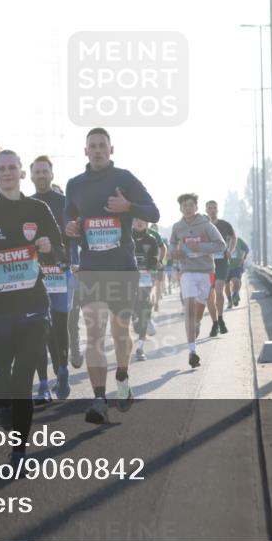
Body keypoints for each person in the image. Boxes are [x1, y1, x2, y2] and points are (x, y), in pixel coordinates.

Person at [0, 147, 64, 462]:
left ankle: (19, 450)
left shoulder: (38, 209)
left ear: (22, 173)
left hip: (34, 308)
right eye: (1, 168)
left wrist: (49, 247)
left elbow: (60, 249)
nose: (7, 173)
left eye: (12, 167)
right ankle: (4, 407)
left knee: (22, 380)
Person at [65, 128, 159, 424]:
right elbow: (68, 217)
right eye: (92, 146)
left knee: (120, 332)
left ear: (111, 149)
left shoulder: (125, 179)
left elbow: (154, 212)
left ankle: (122, 376)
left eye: (102, 145)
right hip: (91, 268)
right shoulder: (74, 184)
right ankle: (98, 400)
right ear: (85, 151)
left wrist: (129, 207)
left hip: (122, 268)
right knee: (94, 334)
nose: (97, 150)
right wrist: (69, 227)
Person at [30, 155, 71, 401]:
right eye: (37, 172)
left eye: (45, 171)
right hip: (33, 274)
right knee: (39, 328)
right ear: (31, 175)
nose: (41, 175)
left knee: (59, 324)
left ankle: (62, 369)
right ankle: (45, 383)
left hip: (60, 271)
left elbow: (72, 238)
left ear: (52, 174)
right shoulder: (26, 204)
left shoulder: (64, 203)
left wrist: (61, 255)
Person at [169, 194, 225, 368]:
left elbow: (221, 245)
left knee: (199, 310)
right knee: (189, 309)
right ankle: (192, 352)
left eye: (190, 205)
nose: (187, 208)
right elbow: (172, 244)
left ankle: (198, 323)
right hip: (187, 271)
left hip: (206, 271)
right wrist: (174, 253)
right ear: (180, 208)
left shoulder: (206, 225)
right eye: (184, 205)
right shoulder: (177, 227)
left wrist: (199, 247)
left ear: (196, 207)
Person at [204, 200, 236, 337]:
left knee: (218, 289)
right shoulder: (202, 226)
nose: (212, 210)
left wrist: (230, 250)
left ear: (217, 210)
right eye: (209, 208)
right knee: (209, 295)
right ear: (206, 210)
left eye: (214, 208)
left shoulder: (224, 224)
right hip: (207, 264)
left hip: (222, 262)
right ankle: (215, 322)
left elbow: (233, 237)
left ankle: (221, 318)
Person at [131, 218, 160, 361]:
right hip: (128, 279)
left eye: (142, 220)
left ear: (147, 223)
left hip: (145, 278)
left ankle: (140, 348)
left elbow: (154, 258)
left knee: (143, 308)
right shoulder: (126, 237)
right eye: (136, 220)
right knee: (134, 308)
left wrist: (151, 266)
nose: (139, 222)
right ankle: (138, 318)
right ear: (132, 222)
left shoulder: (151, 240)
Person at [226, 236, 250, 308]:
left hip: (237, 265)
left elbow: (247, 249)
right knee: (226, 285)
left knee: (236, 281)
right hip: (225, 266)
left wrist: (244, 258)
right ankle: (230, 300)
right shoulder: (222, 239)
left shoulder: (239, 240)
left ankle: (235, 294)